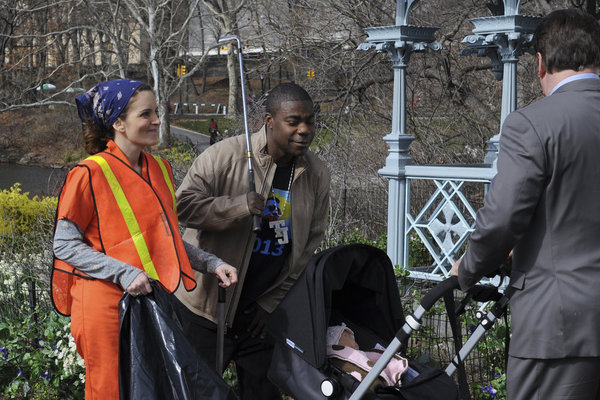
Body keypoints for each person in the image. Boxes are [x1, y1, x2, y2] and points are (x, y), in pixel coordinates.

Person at [51, 79, 238, 400]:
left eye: (157, 112)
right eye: (145, 114)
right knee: (110, 391)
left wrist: (211, 263)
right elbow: (64, 246)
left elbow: (166, 242)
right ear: (118, 123)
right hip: (103, 306)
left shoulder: (161, 169)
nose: (156, 121)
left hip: (147, 301)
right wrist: (124, 272)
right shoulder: (88, 174)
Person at [451, 9, 600, 400]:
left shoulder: (532, 124)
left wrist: (467, 270)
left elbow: (502, 218)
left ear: (540, 63)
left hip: (559, 325)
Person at [174, 82, 331, 399]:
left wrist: (271, 304)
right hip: (206, 309)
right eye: (294, 121)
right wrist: (237, 206)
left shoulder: (316, 174)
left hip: (261, 317)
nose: (304, 130)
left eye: (310, 120)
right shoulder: (226, 156)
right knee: (191, 393)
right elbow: (182, 207)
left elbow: (307, 248)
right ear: (270, 121)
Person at [326, 323, 409, 388]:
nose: (354, 340)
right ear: (337, 344)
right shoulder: (342, 357)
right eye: (346, 336)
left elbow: (373, 360)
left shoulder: (363, 354)